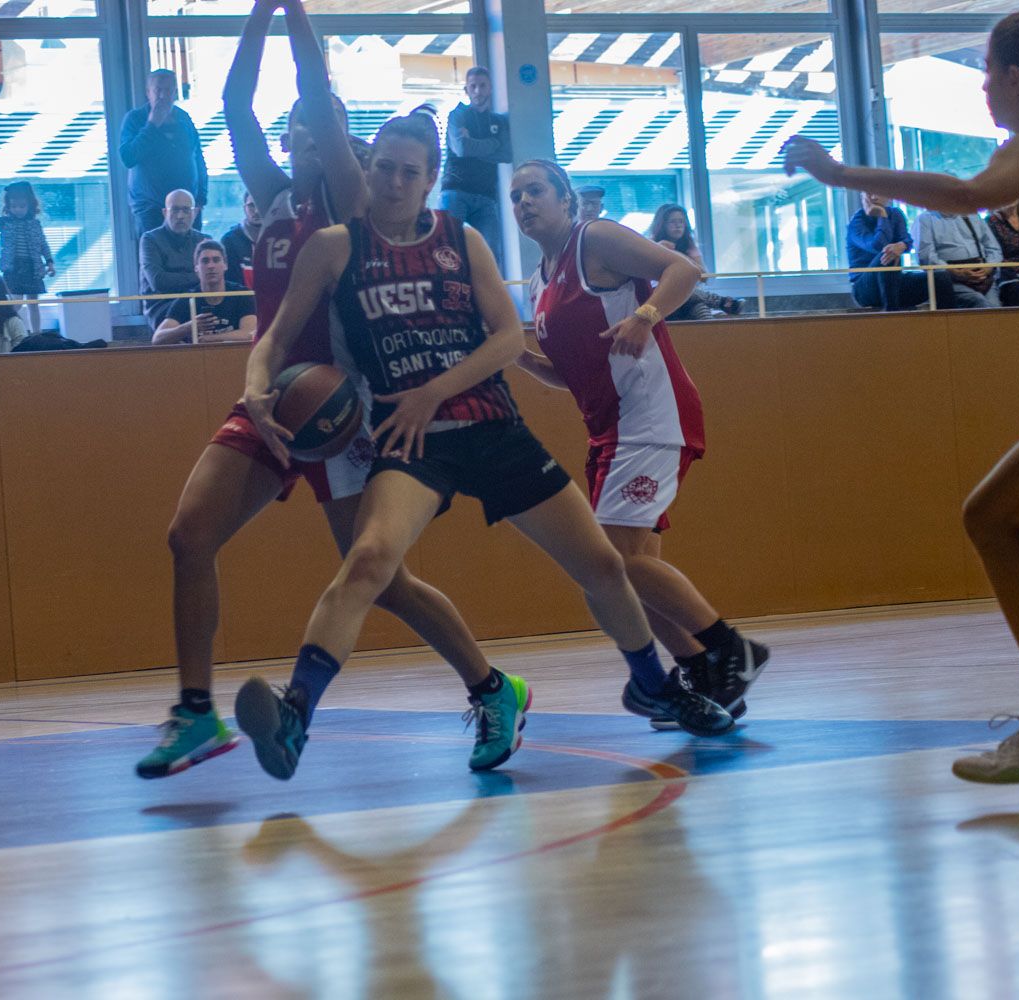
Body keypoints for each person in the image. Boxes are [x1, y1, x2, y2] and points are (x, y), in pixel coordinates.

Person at [232, 110, 737, 782]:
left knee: (605, 567)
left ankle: (654, 682)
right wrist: (255, 388)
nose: (393, 182)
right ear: (367, 167)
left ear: (431, 178)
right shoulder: (334, 246)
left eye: (410, 172)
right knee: (370, 558)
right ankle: (295, 713)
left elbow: (504, 339)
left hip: (489, 423)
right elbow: (273, 336)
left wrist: (432, 391)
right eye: (383, 167)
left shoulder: (461, 238)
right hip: (412, 439)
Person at [137, 0, 517, 781]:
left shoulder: (350, 198)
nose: (310, 127)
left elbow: (312, 87)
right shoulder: (273, 197)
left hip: (344, 412)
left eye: (329, 122)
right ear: (287, 140)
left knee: (382, 580)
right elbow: (236, 104)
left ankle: (492, 686)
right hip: (277, 402)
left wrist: (296, 13)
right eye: (301, 124)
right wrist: (258, 13)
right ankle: (195, 712)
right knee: (187, 537)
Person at [784, 6, 1019, 783]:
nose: (982, 88)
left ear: (1018, 77)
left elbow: (967, 194)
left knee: (993, 517)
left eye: (986, 73)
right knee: (997, 518)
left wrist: (842, 175)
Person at [512, 158, 770, 723]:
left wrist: (647, 314)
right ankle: (703, 670)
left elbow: (680, 269)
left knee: (612, 562)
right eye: (515, 196)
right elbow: (571, 371)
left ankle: (732, 650)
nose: (523, 203)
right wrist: (520, 358)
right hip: (609, 430)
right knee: (630, 575)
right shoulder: (539, 280)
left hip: (651, 417)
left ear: (564, 197)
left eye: (534, 191)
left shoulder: (595, 239)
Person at [118, 68, 209, 235]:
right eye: (158, 90)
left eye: (167, 90)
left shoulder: (184, 118)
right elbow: (128, 157)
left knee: (193, 256)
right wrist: (152, 125)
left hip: (187, 205)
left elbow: (198, 158)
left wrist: (201, 198)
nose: (162, 95)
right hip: (150, 207)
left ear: (174, 92)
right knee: (153, 256)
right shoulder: (135, 119)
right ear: (148, 92)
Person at [440, 66, 512, 270]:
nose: (478, 91)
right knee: (448, 255)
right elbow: (462, 148)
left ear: (490, 88)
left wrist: (474, 143)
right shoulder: (458, 115)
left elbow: (506, 154)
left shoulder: (499, 120)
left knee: (491, 259)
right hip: (455, 192)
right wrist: (493, 143)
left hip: (486, 196)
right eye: (473, 86)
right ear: (466, 90)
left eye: (482, 86)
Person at [0, 180, 54, 334]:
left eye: (22, 206)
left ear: (30, 205)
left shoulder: (35, 224)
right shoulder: (5, 223)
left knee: (33, 303)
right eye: (14, 206)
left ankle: (36, 333)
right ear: (8, 207)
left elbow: (43, 245)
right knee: (16, 302)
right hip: (14, 268)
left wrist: (49, 262)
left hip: (33, 267)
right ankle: (8, 329)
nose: (18, 210)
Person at [647, 205, 742, 318]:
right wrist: (662, 249)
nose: (678, 225)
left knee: (700, 308)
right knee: (681, 287)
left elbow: (704, 276)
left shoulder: (688, 245)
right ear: (662, 224)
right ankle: (722, 302)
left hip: (688, 297)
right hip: (660, 298)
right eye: (672, 222)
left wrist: (677, 254)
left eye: (681, 221)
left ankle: (715, 326)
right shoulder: (651, 244)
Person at [153, 240, 255, 345]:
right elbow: (157, 339)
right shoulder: (187, 300)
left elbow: (250, 333)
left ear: (225, 265)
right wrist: (189, 327)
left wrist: (211, 339)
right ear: (196, 268)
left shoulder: (242, 295)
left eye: (216, 260)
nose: (211, 266)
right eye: (205, 261)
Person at [846, 193, 932, 312]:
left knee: (940, 277)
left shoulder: (895, 214)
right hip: (864, 289)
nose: (874, 197)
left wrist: (902, 245)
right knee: (888, 254)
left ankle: (948, 325)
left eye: (879, 193)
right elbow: (878, 246)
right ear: (862, 197)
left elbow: (907, 240)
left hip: (894, 281)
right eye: (869, 193)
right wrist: (882, 215)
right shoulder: (857, 222)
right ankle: (892, 315)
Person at [139, 189, 209, 329]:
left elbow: (213, 278)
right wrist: (198, 275)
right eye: (175, 210)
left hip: (197, 302)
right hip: (162, 306)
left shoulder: (204, 240)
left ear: (195, 213)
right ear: (165, 212)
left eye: (186, 210)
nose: (180, 216)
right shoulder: (150, 239)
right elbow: (158, 281)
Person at [915, 208, 1004, 309]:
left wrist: (989, 267)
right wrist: (957, 272)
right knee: (979, 302)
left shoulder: (972, 215)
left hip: (983, 275)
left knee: (996, 310)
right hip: (951, 279)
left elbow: (994, 248)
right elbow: (926, 256)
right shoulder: (926, 219)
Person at [221, 192, 261, 287]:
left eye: (260, 204)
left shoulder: (279, 239)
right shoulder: (229, 240)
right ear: (244, 208)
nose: (256, 211)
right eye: (251, 205)